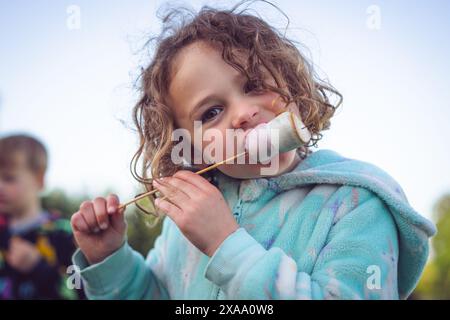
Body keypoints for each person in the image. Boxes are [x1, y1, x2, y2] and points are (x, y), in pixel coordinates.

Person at [70, 3, 436, 299]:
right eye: (211, 113)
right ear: (191, 149)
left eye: (254, 85)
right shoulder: (184, 226)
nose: (244, 114)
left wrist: (226, 246)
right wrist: (109, 259)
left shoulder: (357, 203)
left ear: (291, 85)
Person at [0, 134, 83, 299]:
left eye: (9, 178)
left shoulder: (66, 234)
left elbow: (78, 290)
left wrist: (38, 267)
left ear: (40, 179)